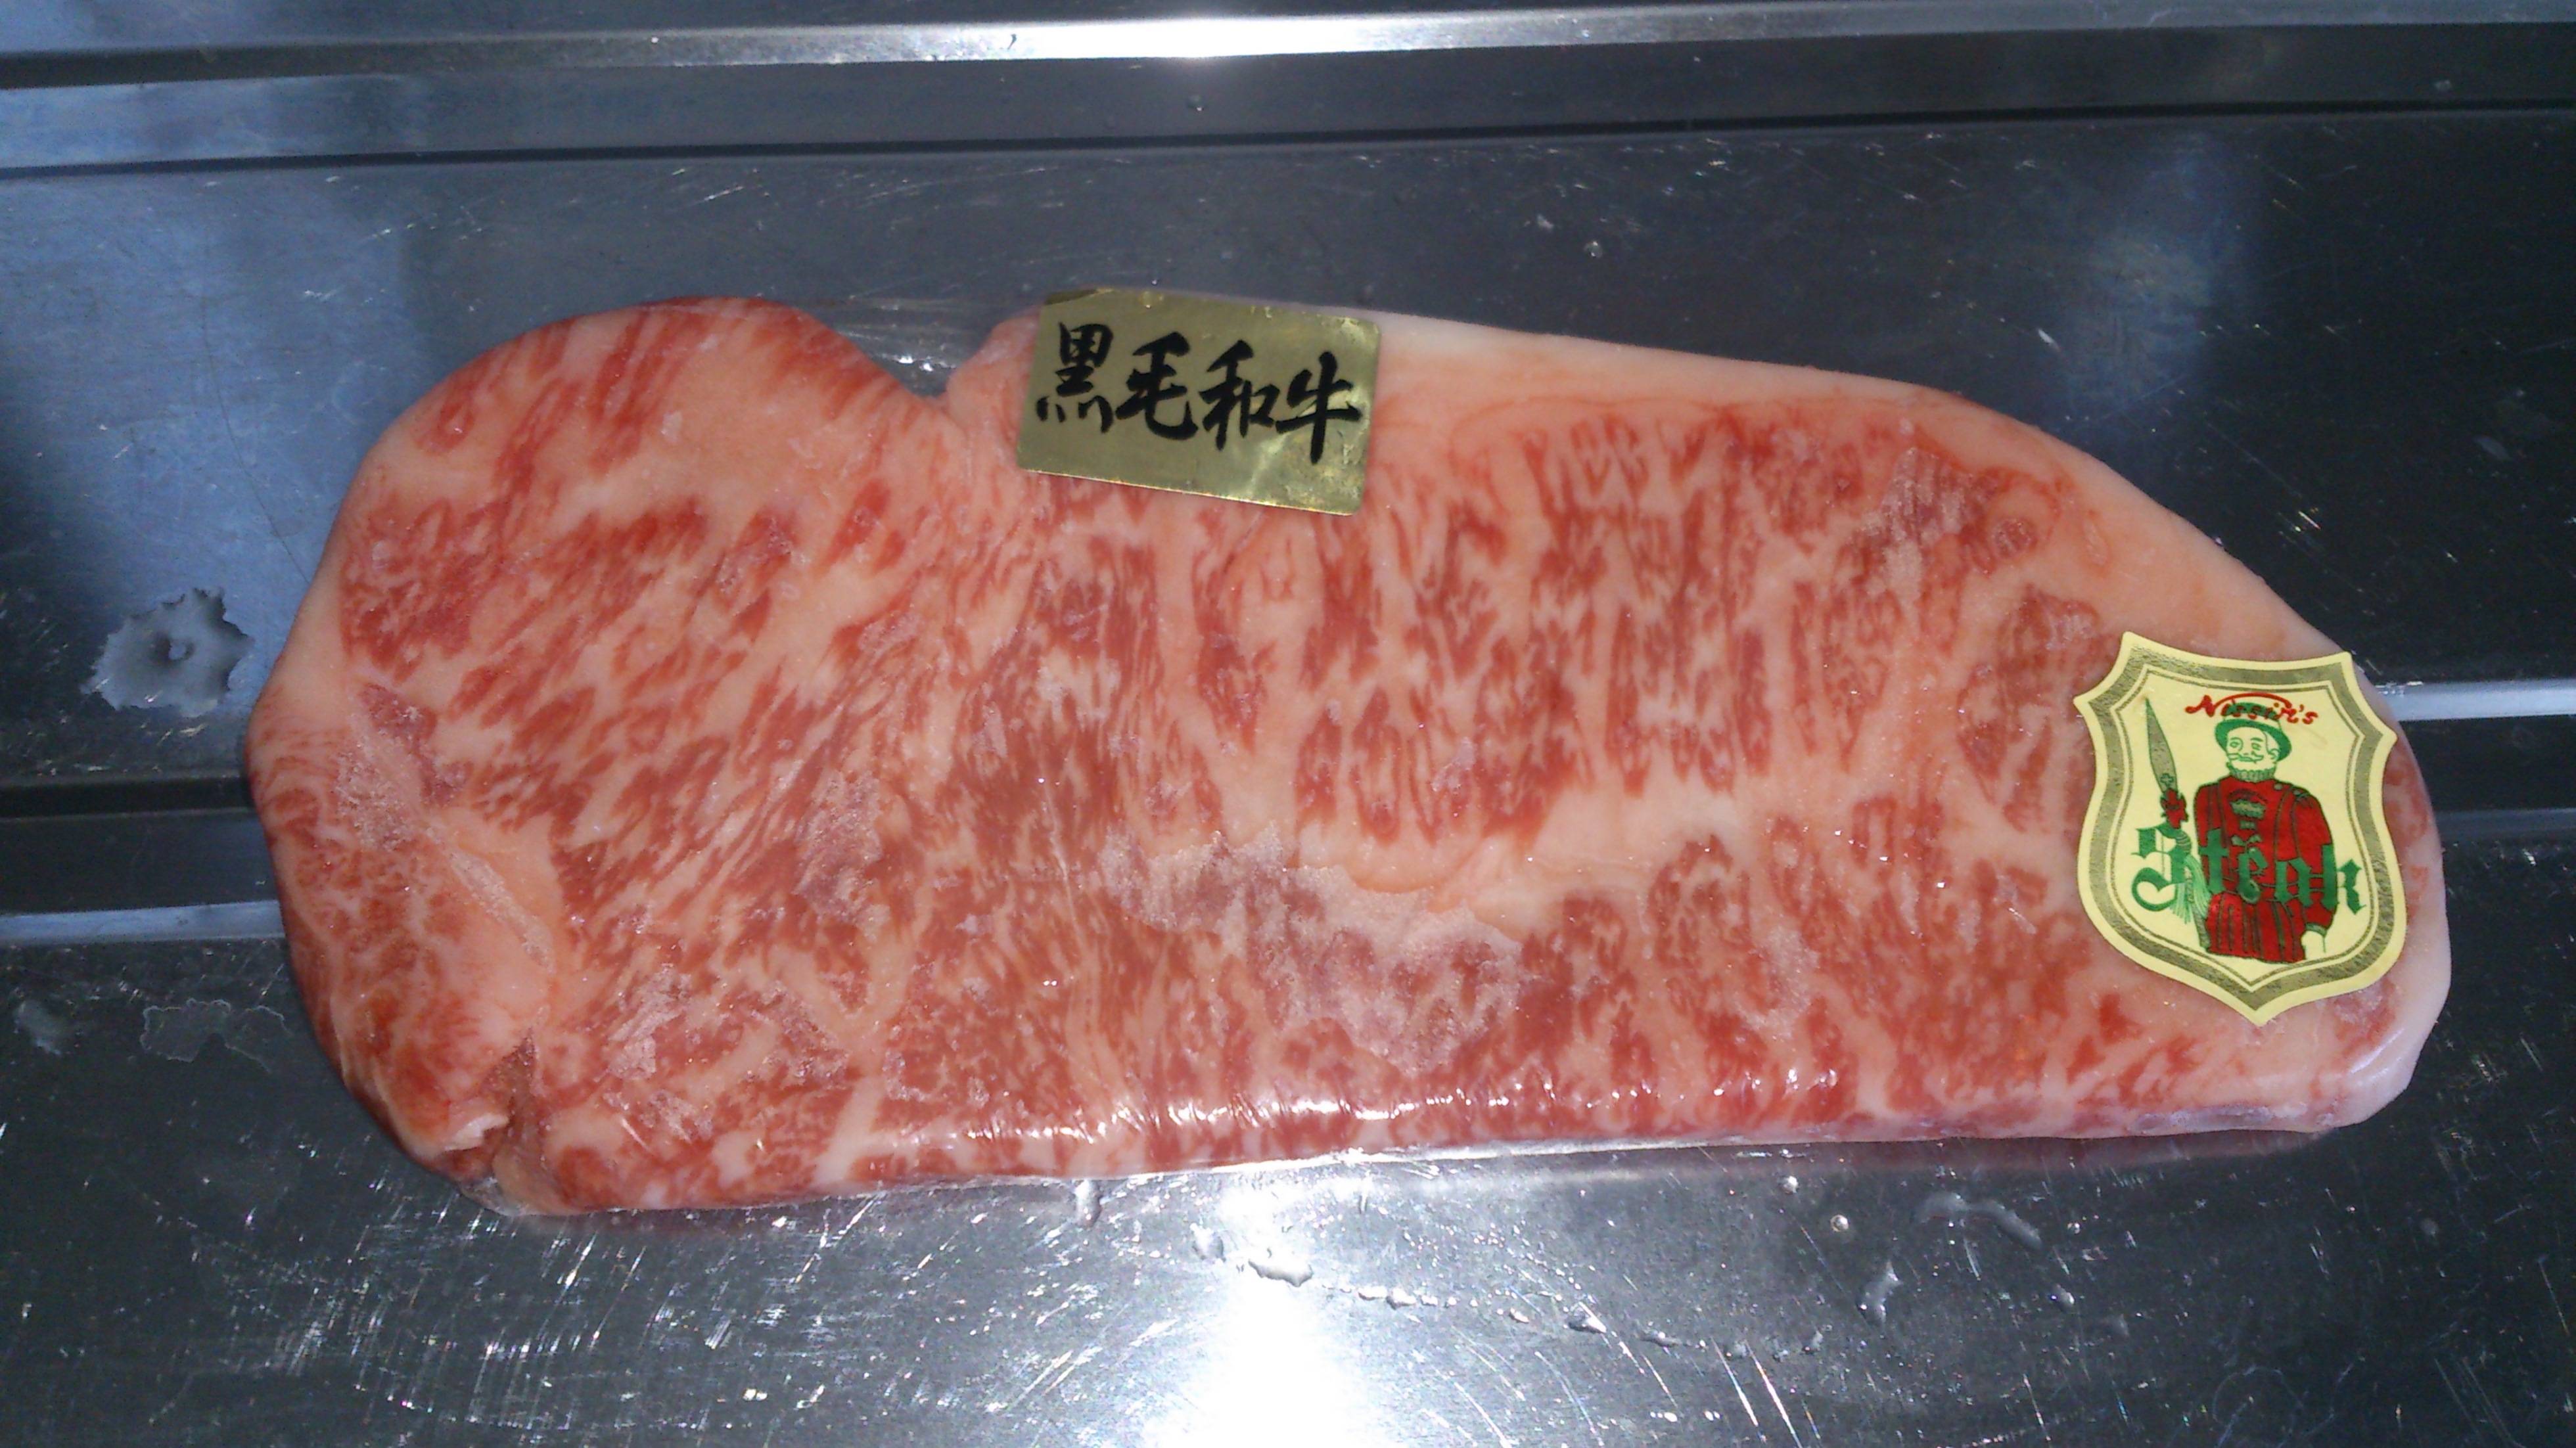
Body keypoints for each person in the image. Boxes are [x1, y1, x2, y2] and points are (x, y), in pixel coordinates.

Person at [2160, 702, 2334, 963]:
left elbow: (2320, 868)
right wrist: (2185, 860)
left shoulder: (2299, 802)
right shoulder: (2208, 796)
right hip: (2227, 919)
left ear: (2274, 752)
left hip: (2283, 918)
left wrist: (2317, 926)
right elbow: (2207, 859)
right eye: (2236, 744)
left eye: (2256, 744)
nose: (2245, 751)